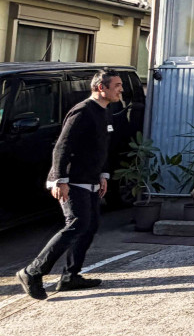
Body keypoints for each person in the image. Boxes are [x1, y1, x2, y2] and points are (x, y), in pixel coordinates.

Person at [14, 69, 122, 300]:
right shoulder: (83, 111)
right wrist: (60, 180)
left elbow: (102, 146)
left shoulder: (105, 112)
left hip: (91, 179)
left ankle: (70, 277)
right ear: (101, 87)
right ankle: (32, 272)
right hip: (72, 181)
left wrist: (103, 174)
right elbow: (62, 146)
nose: (120, 90)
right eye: (116, 85)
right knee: (77, 223)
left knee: (89, 226)